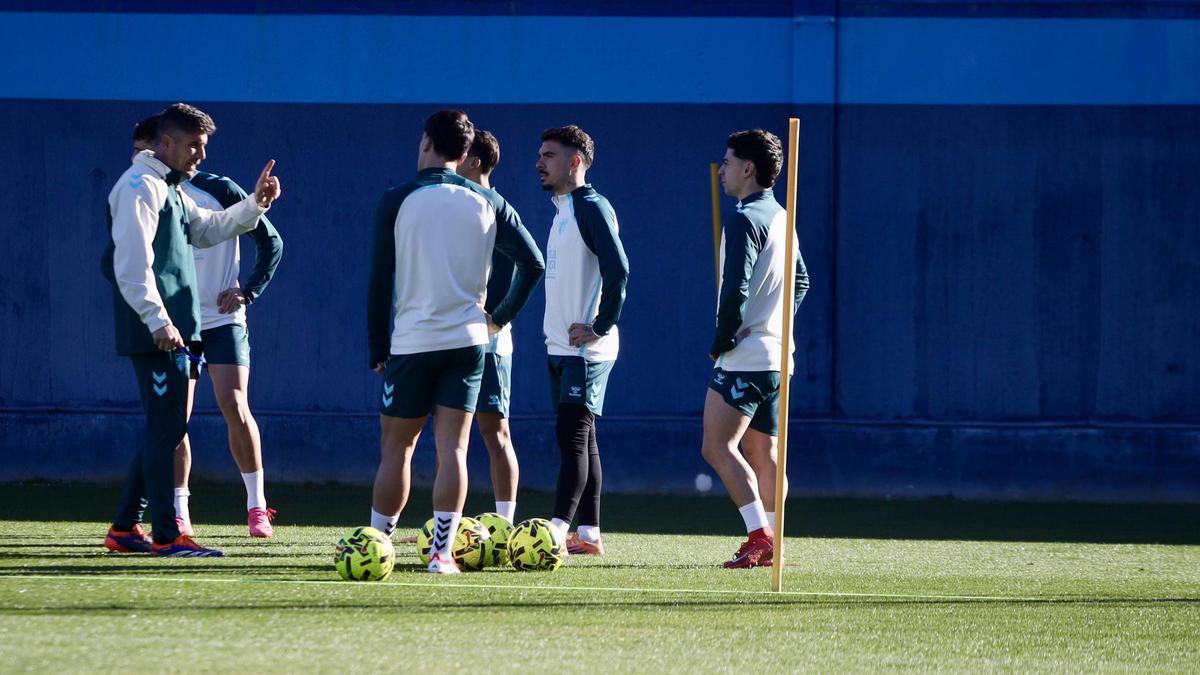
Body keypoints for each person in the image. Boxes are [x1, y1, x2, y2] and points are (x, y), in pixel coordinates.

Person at [367, 110, 544, 574]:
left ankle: (377, 547)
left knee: (398, 447)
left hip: (412, 341)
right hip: (469, 343)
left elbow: (379, 281)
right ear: (465, 154)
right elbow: (534, 263)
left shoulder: (396, 199)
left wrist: (377, 345)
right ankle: (442, 555)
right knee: (455, 450)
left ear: (426, 141)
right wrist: (498, 317)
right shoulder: (488, 201)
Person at [102, 102, 281, 557]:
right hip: (157, 331)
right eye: (194, 145)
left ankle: (125, 527)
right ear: (166, 143)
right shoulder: (140, 186)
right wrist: (158, 319)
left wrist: (255, 204)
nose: (201, 154)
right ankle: (166, 534)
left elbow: (208, 230)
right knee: (166, 430)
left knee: (166, 427)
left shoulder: (170, 188)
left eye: (203, 146)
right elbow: (130, 265)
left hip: (178, 330)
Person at [702, 129, 809, 569]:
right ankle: (772, 542)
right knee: (765, 456)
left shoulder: (745, 218)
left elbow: (735, 288)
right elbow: (801, 282)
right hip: (778, 356)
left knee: (716, 446)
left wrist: (723, 339)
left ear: (748, 168)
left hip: (745, 357)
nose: (722, 170)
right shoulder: (783, 216)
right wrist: (775, 325)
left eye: (728, 162)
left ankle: (760, 535)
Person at [536, 125, 629, 555]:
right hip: (562, 348)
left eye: (549, 155)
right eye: (540, 154)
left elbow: (619, 269)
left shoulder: (591, 207)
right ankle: (589, 533)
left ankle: (555, 531)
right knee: (583, 438)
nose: (539, 162)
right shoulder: (562, 210)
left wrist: (601, 325)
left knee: (572, 436)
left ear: (575, 162)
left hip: (585, 351)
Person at [455, 130, 521, 522]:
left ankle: (505, 524)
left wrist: (494, 317)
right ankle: (447, 524)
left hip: (489, 344)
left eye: (459, 156)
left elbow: (518, 265)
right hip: (453, 339)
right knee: (452, 436)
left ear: (474, 162)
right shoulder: (457, 206)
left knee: (494, 432)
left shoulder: (496, 208)